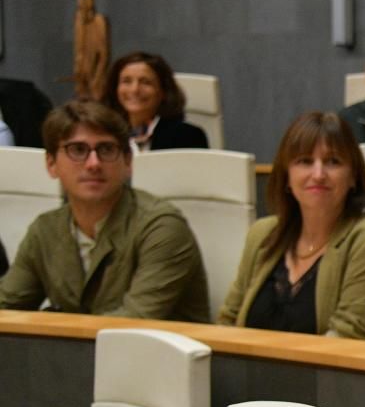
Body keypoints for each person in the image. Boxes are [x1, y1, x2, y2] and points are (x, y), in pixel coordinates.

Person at [0, 100, 209, 321]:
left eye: (106, 149)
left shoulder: (161, 227)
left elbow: (134, 323)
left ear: (127, 161)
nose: (93, 164)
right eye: (78, 150)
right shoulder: (45, 230)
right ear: (51, 164)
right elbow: (6, 307)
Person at [218, 112, 365, 342]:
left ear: (353, 176)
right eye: (305, 161)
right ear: (287, 176)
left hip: (334, 366)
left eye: (333, 162)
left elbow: (351, 337)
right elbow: (229, 321)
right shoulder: (263, 234)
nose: (318, 174)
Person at [102, 51, 209, 151]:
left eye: (145, 82)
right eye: (126, 81)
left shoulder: (187, 136)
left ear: (163, 91)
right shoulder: (104, 135)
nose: (135, 90)